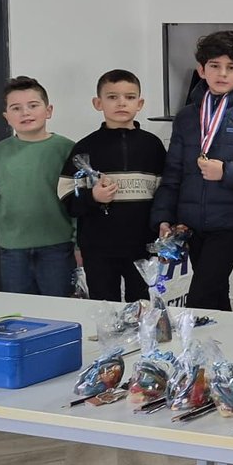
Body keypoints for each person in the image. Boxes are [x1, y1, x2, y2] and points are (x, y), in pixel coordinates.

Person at [150, 32, 233, 312]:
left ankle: (201, 337)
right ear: (201, 70)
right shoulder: (188, 115)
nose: (222, 74)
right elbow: (173, 170)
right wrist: (163, 217)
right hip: (190, 221)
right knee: (215, 293)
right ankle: (221, 338)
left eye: (231, 67)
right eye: (214, 65)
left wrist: (226, 171)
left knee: (201, 294)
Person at [61, 69, 166, 302]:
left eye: (129, 97)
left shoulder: (153, 146)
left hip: (142, 245)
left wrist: (165, 225)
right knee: (104, 305)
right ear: (98, 103)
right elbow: (66, 194)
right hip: (98, 247)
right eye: (112, 97)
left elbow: (166, 192)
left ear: (140, 103)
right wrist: (93, 197)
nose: (121, 103)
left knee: (140, 305)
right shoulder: (85, 147)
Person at [0, 76, 76, 296]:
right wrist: (6, 215)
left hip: (58, 247)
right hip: (13, 249)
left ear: (48, 110)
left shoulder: (67, 150)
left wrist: (78, 243)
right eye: (16, 108)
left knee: (59, 306)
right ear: (6, 117)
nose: (25, 113)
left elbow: (79, 199)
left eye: (33, 105)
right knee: (19, 308)